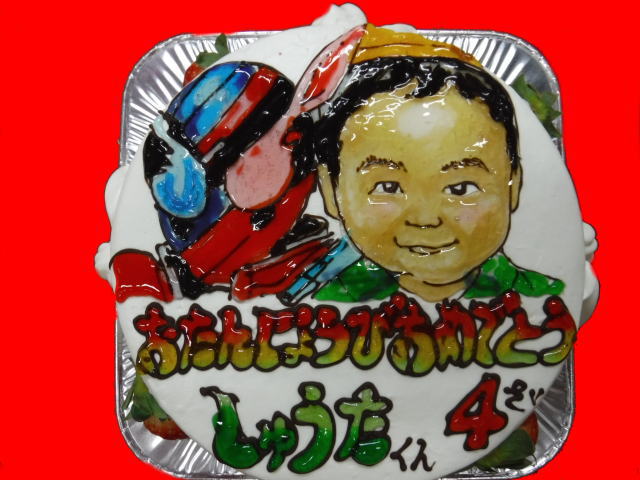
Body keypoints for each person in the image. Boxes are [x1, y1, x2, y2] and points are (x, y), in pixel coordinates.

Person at [285, 53, 564, 304]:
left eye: (460, 188)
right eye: (388, 187)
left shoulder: (545, 302)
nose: (426, 218)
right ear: (331, 191)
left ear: (513, 184)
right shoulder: (316, 307)